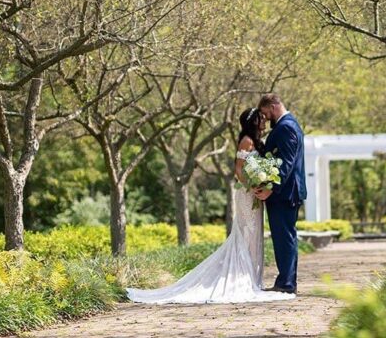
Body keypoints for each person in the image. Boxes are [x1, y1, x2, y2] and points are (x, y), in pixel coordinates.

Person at [126, 107, 291, 305]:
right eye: (261, 120)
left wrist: (263, 182)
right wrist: (253, 185)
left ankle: (253, 279)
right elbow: (238, 171)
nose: (264, 123)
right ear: (253, 122)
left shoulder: (258, 143)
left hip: (255, 196)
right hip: (247, 195)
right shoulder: (246, 141)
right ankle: (242, 278)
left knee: (255, 235)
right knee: (248, 233)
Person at [254, 93, 307, 295]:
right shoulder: (287, 125)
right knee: (284, 237)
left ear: (274, 106)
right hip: (285, 192)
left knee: (284, 237)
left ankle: (286, 284)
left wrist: (271, 188)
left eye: (265, 113)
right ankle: (286, 282)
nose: (265, 118)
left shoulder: (286, 127)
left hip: (285, 193)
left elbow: (286, 162)